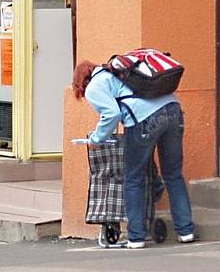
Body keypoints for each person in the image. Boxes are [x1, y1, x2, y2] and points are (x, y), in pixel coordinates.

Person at [71, 61, 195, 249]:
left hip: (144, 120)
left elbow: (111, 114)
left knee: (133, 179)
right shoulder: (120, 74)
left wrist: (96, 139)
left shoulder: (95, 85)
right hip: (173, 110)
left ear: (81, 82)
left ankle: (136, 237)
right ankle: (186, 232)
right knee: (173, 175)